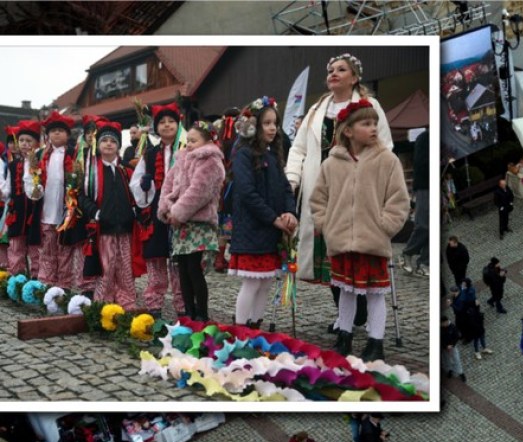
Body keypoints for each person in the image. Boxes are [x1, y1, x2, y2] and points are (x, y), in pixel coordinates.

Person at [287, 54, 393, 332]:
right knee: (330, 257)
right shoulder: (316, 110)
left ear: (354, 77)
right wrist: (292, 179)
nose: (333, 73)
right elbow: (298, 149)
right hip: (322, 192)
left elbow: (385, 145)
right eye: (330, 70)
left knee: (357, 253)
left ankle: (364, 312)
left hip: (357, 190)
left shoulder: (370, 106)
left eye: (341, 70)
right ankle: (345, 315)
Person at [310, 98, 409, 360]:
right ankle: (344, 336)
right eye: (366, 123)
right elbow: (318, 199)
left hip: (373, 240)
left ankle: (376, 342)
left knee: (375, 294)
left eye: (375, 123)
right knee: (345, 291)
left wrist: (385, 226)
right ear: (348, 131)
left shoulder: (387, 160)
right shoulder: (331, 164)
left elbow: (398, 200)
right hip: (341, 240)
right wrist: (326, 225)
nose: (373, 128)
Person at [229, 97, 298, 328]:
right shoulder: (244, 154)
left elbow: (286, 188)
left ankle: (255, 325)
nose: (272, 128)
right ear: (254, 125)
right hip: (252, 230)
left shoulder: (273, 154)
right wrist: (273, 218)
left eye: (275, 123)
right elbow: (247, 193)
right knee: (252, 282)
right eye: (267, 123)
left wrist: (290, 212)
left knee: (266, 282)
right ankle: (240, 328)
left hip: (271, 230)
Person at [158, 120, 225, 320]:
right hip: (181, 224)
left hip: (198, 224)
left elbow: (199, 192)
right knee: (183, 270)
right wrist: (166, 209)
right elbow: (168, 184)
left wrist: (178, 212)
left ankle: (201, 314)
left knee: (194, 269)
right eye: (188, 140)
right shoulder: (182, 158)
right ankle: (188, 313)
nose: (189, 144)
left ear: (208, 142)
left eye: (194, 141)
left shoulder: (211, 161)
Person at [78, 120, 139, 309]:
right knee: (106, 266)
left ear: (119, 146)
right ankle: (103, 303)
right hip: (103, 227)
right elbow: (81, 196)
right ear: (98, 144)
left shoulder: (126, 170)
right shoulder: (91, 171)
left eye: (113, 141)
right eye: (104, 140)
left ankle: (126, 302)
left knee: (125, 268)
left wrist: (134, 211)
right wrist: (96, 212)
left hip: (125, 228)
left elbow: (136, 195)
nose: (109, 144)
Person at [132, 103, 185, 317]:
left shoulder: (186, 150)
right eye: (162, 122)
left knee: (179, 263)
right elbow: (136, 183)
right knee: (156, 260)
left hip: (181, 211)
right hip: (156, 212)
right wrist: (146, 185)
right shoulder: (150, 154)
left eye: (171, 121)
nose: (167, 125)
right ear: (156, 128)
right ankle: (154, 305)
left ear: (178, 124)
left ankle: (183, 307)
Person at [27, 111, 88, 294]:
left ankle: (64, 284)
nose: (57, 133)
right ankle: (46, 282)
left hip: (66, 211)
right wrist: (35, 190)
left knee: (65, 249)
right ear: (48, 135)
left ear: (68, 135)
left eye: (61, 131)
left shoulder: (74, 154)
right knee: (47, 249)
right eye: (53, 131)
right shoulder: (40, 155)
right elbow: (31, 179)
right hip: (46, 210)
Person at [5, 120, 43, 278]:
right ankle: (16, 278)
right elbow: (7, 188)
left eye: (29, 141)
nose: (25, 144)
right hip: (17, 211)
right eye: (21, 140)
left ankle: (36, 278)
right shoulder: (13, 165)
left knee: (35, 246)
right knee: (15, 245)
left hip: (34, 211)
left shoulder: (40, 162)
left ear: (36, 143)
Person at [401, 128, 430, 275]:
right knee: (423, 225)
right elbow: (421, 163)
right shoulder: (424, 138)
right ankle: (407, 252)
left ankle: (424, 262)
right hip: (425, 186)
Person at [441, 314, 466, 382]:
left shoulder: (452, 327)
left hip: (452, 347)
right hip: (444, 348)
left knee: (456, 359)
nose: (445, 324)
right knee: (447, 360)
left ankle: (460, 372)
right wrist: (445, 346)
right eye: (443, 323)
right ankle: (449, 370)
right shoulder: (440, 328)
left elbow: (456, 337)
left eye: (445, 322)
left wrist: (451, 345)